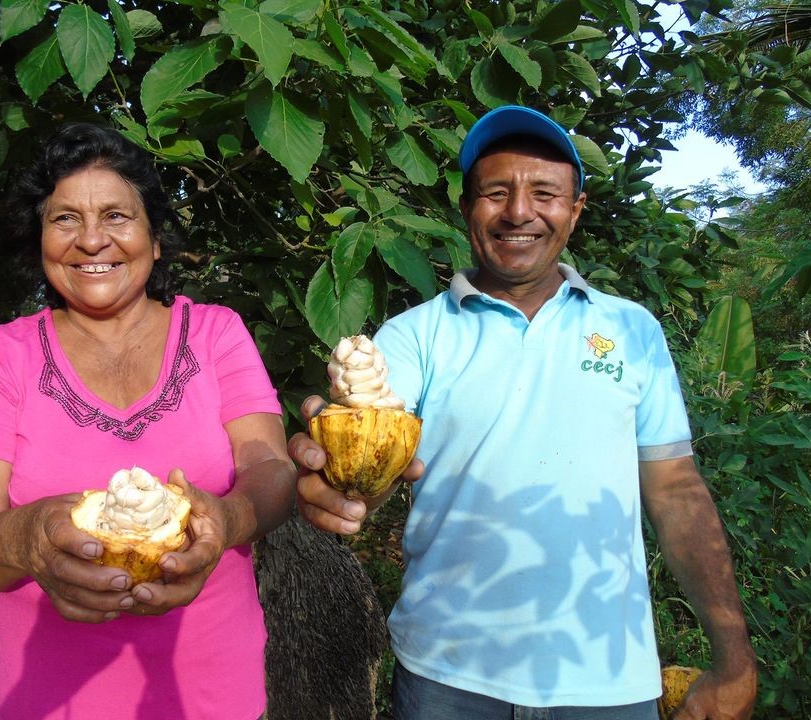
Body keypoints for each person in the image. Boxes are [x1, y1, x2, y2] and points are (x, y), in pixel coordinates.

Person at [290, 105, 757, 719]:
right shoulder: (414, 337)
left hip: (609, 679)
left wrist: (734, 658)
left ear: (576, 209)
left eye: (544, 193)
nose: (518, 212)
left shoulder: (632, 329)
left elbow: (675, 491)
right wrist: (340, 483)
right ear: (466, 208)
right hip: (447, 678)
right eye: (495, 192)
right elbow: (373, 448)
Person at [0, 123, 297, 720]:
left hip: (212, 690)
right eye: (65, 218)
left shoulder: (216, 333)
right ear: (39, 241)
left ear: (155, 240)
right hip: (53, 697)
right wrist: (25, 539)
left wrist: (228, 519)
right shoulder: (0, 356)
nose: (92, 240)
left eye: (118, 217)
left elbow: (270, 467)